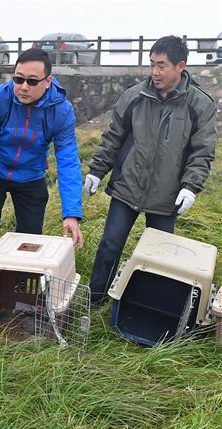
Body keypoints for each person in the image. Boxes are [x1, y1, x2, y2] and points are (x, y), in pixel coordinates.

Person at [85, 35, 217, 306]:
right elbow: (113, 137)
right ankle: (94, 299)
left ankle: (146, 308)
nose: (154, 72)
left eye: (161, 65)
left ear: (180, 66)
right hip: (127, 187)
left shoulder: (199, 104)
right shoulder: (134, 96)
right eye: (152, 64)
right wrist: (97, 170)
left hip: (167, 195)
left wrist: (190, 187)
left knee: (159, 258)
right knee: (110, 245)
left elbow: (202, 151)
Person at [0, 47, 84, 320]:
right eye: (18, 79)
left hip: (31, 176)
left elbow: (68, 160)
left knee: (30, 239)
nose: (23, 86)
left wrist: (72, 213)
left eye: (31, 81)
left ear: (48, 81)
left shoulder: (61, 110)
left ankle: (15, 297)